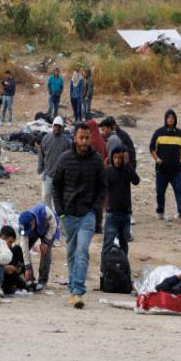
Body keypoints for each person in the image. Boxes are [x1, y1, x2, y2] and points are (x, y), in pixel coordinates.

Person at [52, 121, 107, 309]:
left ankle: (77, 292)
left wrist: (95, 209)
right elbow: (56, 186)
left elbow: (102, 187)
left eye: (87, 138)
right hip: (68, 215)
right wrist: (61, 212)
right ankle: (73, 288)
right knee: (71, 252)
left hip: (87, 215)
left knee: (82, 251)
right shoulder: (64, 159)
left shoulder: (97, 160)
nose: (84, 141)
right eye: (81, 138)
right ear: (74, 138)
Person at [149, 109, 181, 222]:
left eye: (172, 117)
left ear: (175, 119)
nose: (171, 119)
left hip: (176, 170)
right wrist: (158, 160)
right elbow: (151, 148)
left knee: (179, 191)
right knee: (160, 192)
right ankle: (160, 211)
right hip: (162, 170)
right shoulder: (159, 132)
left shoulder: (180, 133)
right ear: (165, 119)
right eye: (168, 117)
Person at [103, 144, 139, 257]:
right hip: (112, 213)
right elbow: (101, 185)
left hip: (125, 214)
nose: (117, 161)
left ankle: (123, 269)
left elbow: (136, 181)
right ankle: (103, 271)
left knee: (124, 244)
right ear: (112, 158)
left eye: (120, 158)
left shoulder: (127, 170)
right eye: (115, 158)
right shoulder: (108, 171)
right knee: (107, 244)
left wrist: (128, 165)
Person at [17, 203, 57, 292]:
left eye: (28, 229)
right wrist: (27, 268)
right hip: (35, 231)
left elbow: (53, 226)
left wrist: (45, 242)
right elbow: (24, 249)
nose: (26, 233)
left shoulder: (45, 211)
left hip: (49, 229)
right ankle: (30, 279)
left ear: (33, 223)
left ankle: (42, 281)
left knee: (45, 252)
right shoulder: (24, 225)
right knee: (20, 250)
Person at [38, 117, 69, 204]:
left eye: (59, 126)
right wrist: (40, 170)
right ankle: (49, 217)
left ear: (62, 128)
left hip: (61, 177)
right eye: (55, 126)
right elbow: (41, 155)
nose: (57, 128)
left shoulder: (66, 141)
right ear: (52, 126)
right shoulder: (46, 139)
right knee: (45, 199)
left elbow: (70, 158)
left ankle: (58, 217)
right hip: (48, 175)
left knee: (59, 201)